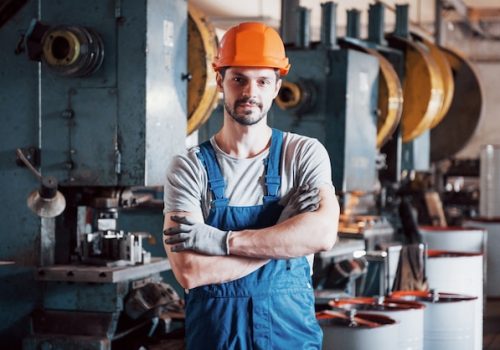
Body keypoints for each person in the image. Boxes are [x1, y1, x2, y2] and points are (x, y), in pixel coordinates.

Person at [163, 22, 339, 349]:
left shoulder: (303, 154)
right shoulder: (189, 167)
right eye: (239, 79)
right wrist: (284, 240)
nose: (250, 92)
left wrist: (219, 240)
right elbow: (189, 270)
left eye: (262, 81)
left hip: (290, 338)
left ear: (276, 86)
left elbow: (322, 235)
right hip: (216, 340)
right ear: (219, 81)